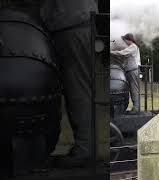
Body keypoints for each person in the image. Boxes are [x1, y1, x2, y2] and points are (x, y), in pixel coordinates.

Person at [40, 0, 98, 167]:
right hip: (76, 19)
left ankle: (86, 150)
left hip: (71, 20)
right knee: (80, 86)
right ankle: (86, 147)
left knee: (77, 88)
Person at [111, 33, 141, 114]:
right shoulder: (131, 47)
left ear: (129, 40)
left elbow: (122, 53)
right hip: (130, 70)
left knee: (134, 89)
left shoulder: (133, 47)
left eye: (125, 40)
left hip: (133, 70)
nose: (125, 42)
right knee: (132, 89)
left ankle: (136, 109)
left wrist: (111, 52)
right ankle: (136, 108)